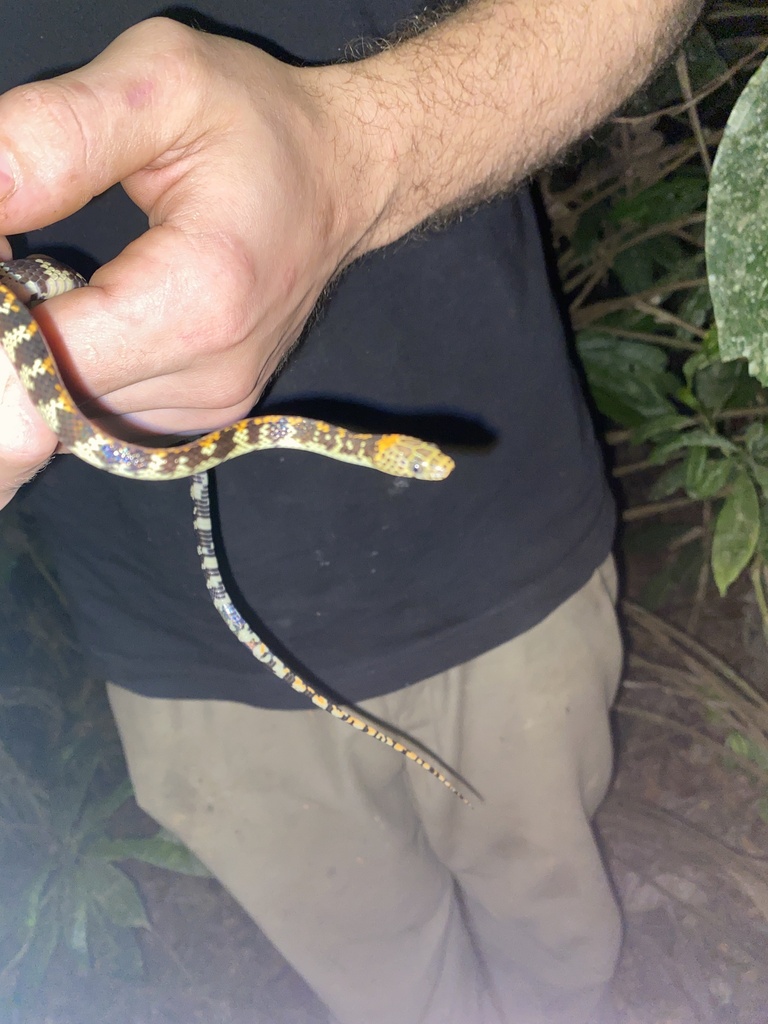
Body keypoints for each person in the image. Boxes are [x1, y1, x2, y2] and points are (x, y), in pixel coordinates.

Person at [0, 2, 703, 1022]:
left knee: (565, 945)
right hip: (179, 654)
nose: (419, 459)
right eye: (413, 460)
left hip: (511, 568)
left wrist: (351, 153)